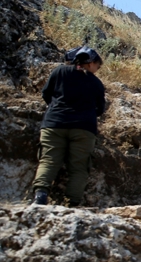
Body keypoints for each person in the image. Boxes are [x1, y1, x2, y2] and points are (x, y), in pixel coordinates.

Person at [31, 46, 106, 206]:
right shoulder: (96, 83)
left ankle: (40, 196)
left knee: (49, 160)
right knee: (79, 168)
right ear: (91, 63)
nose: (97, 70)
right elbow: (100, 109)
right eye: (97, 66)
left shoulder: (60, 72)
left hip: (54, 124)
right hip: (83, 128)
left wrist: (56, 108)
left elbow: (46, 93)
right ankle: (72, 203)